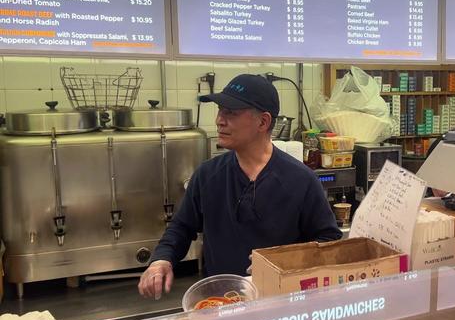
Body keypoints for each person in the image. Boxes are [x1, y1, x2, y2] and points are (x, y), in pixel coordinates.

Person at [138, 74, 342, 299]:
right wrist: (161, 260)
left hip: (281, 303)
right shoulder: (208, 175)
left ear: (263, 122)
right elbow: (181, 227)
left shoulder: (301, 180)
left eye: (231, 113)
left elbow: (328, 241)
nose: (219, 120)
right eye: (219, 110)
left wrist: (284, 261)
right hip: (222, 302)